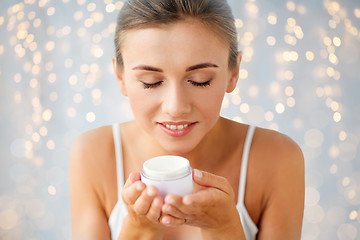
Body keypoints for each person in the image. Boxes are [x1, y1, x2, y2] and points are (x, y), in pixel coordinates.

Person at [69, 0, 305, 239]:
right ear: (120, 77)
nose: (176, 107)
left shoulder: (276, 157)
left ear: (233, 72)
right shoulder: (94, 154)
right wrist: (139, 229)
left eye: (200, 80)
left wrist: (223, 229)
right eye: (150, 81)